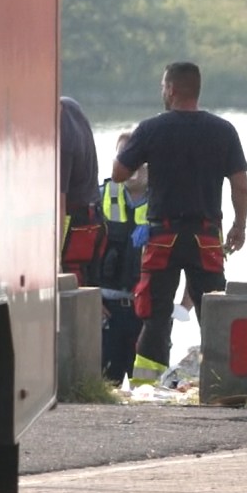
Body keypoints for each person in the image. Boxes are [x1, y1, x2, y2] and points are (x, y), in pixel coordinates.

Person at [113, 62, 247, 373]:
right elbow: (240, 187)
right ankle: (218, 382)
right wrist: (239, 226)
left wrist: (144, 153)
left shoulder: (151, 129)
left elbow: (118, 174)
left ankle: (147, 386)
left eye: (164, 86)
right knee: (213, 313)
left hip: (163, 236)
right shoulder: (223, 130)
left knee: (155, 316)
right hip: (206, 237)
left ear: (171, 89)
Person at [98, 132, 148, 383]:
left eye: (136, 158)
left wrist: (182, 307)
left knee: (150, 389)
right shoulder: (99, 197)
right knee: (107, 383)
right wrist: (89, 299)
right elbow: (73, 252)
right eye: (123, 158)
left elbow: (190, 254)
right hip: (108, 310)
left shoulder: (166, 202)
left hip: (149, 314)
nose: (130, 166)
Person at [59, 96, 106, 286]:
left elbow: (58, 204)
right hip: (93, 220)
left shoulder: (61, 143)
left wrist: (54, 261)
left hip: (73, 224)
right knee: (88, 285)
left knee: (70, 286)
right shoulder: (70, 106)